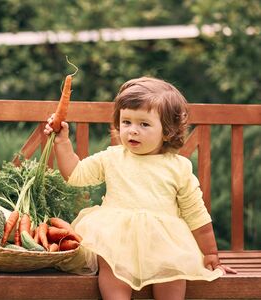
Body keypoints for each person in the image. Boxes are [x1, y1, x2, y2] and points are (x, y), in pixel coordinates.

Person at [44, 76, 236, 300]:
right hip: (117, 238)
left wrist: (211, 253)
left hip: (163, 243)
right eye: (126, 122)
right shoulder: (113, 157)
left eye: (144, 124)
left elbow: (196, 215)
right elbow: (75, 174)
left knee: (173, 271)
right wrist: (62, 142)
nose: (132, 131)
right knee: (112, 266)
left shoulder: (178, 167)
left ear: (167, 131)